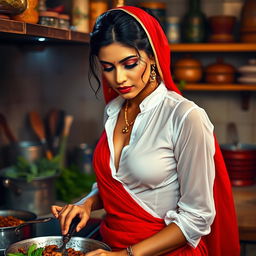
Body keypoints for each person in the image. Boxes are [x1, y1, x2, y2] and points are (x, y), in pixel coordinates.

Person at [51, 6, 240, 256]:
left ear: (152, 56)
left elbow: (197, 218)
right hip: (109, 246)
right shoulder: (114, 111)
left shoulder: (185, 117)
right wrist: (86, 203)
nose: (119, 78)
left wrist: (126, 255)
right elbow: (122, 183)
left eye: (129, 64)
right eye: (108, 67)